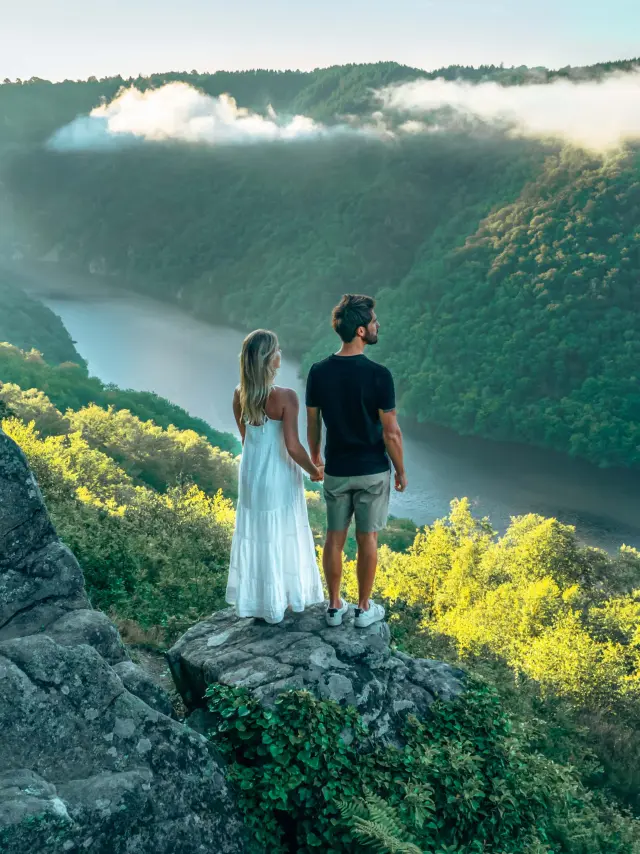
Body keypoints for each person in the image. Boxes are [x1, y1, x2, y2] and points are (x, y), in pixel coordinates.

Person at [306, 294, 407, 628]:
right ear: (361, 331)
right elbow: (391, 433)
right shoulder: (379, 375)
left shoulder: (318, 372)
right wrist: (401, 471)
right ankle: (364, 609)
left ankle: (334, 607)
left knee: (333, 539)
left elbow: (313, 422)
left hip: (337, 470)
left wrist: (316, 457)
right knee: (368, 540)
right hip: (372, 471)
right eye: (374, 321)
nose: (378, 325)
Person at [226, 329, 325, 624]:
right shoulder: (286, 397)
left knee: (259, 535)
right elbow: (293, 446)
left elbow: (247, 440)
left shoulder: (240, 395)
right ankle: (283, 599)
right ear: (270, 359)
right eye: (277, 349)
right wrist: (315, 471)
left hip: (252, 475)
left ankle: (260, 602)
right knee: (280, 533)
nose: (281, 353)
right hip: (278, 475)